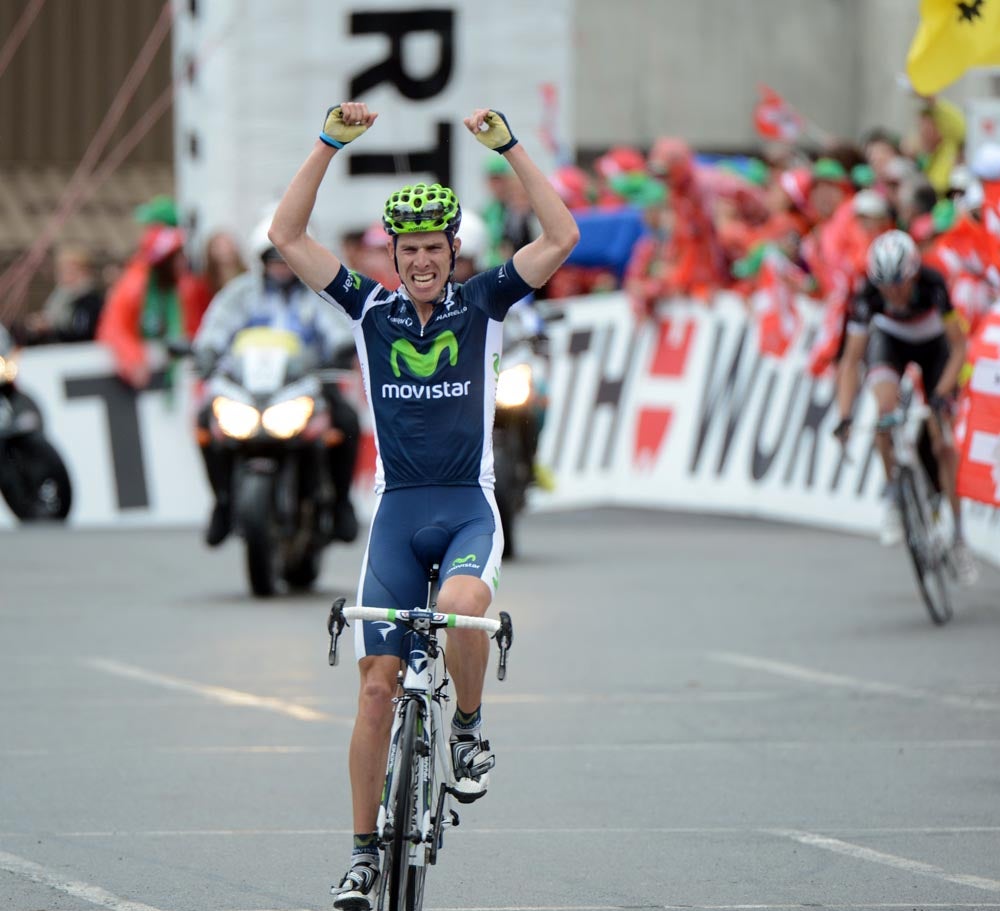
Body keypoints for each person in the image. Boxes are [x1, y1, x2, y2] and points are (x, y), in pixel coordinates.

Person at [268, 101, 578, 910]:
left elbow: (561, 237)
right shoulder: (371, 310)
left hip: (467, 505)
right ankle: (365, 854)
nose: (421, 262)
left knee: (462, 604)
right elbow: (287, 236)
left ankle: (468, 729)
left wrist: (509, 147)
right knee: (376, 684)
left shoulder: (486, 304)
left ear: (452, 250)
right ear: (394, 255)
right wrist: (328, 143)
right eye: (408, 250)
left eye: (434, 249)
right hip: (399, 512)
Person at [191, 217, 361, 547]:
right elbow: (216, 329)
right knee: (205, 420)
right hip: (247, 389)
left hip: (306, 384)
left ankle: (342, 503)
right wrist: (206, 352)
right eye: (273, 260)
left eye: (287, 259)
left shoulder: (319, 292)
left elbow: (337, 329)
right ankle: (223, 502)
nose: (281, 267)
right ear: (261, 262)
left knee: (346, 420)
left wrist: (341, 347)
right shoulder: (240, 292)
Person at [833, 230, 976, 583]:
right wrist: (846, 415)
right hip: (892, 343)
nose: (893, 293)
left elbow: (959, 348)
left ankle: (958, 537)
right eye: (885, 286)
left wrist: (942, 392)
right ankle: (895, 496)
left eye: (899, 283)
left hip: (935, 349)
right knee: (884, 412)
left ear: (913, 273)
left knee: (943, 443)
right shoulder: (867, 294)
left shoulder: (933, 283)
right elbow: (851, 362)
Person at [97, 225, 211, 388]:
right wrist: (133, 359)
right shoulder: (134, 288)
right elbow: (113, 329)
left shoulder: (188, 287)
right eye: (176, 256)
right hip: (152, 386)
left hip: (188, 384)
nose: (183, 261)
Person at [17, 245, 103, 344]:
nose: (61, 274)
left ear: (82, 271)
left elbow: (83, 332)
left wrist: (50, 329)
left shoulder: (89, 301)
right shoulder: (61, 296)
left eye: (68, 269)